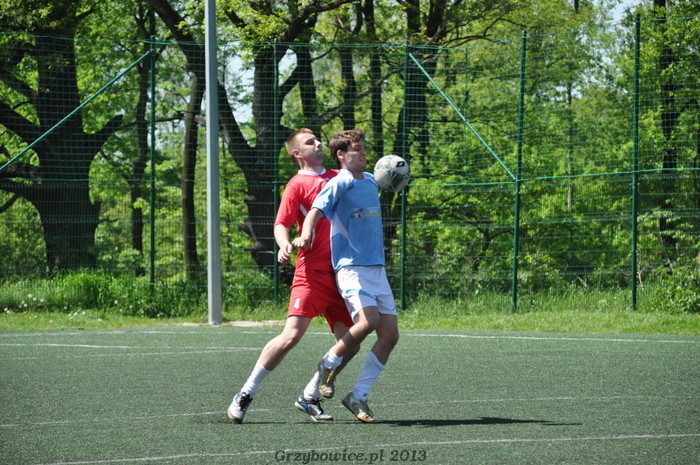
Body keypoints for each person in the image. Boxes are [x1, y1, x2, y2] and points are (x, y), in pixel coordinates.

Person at [227, 128, 358, 423]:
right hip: (312, 273)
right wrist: (284, 243)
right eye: (311, 142)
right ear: (297, 153)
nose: (319, 144)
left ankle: (309, 395)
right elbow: (281, 224)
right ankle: (246, 393)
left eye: (318, 139)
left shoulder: (341, 176)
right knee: (291, 336)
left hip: (343, 273)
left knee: (351, 341)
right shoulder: (296, 185)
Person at [293, 129, 400, 423]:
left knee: (390, 335)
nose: (363, 153)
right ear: (341, 155)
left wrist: (398, 175)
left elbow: (390, 179)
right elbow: (315, 210)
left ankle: (358, 395)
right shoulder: (340, 182)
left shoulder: (371, 180)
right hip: (352, 267)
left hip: (376, 268)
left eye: (363, 148)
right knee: (368, 321)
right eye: (357, 149)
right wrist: (306, 234)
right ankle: (329, 363)